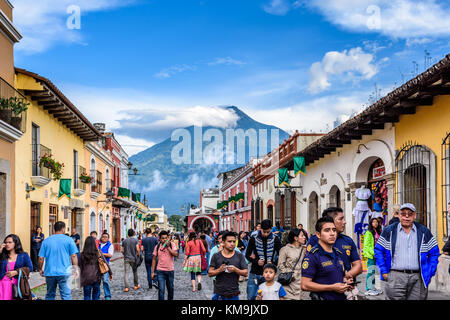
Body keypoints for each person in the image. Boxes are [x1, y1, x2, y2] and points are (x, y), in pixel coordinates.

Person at [375, 203, 440, 300]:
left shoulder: (424, 231)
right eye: (403, 213)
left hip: (418, 278)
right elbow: (379, 250)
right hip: (395, 277)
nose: (406, 216)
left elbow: (434, 253)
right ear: (399, 215)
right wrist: (384, 271)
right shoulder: (389, 231)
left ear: (414, 216)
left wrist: (430, 272)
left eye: (410, 214)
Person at [306, 207, 362, 284]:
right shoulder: (315, 240)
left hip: (347, 288)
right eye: (341, 219)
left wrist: (346, 276)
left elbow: (358, 266)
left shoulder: (348, 240)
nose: (344, 222)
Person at [301, 216, 351, 300]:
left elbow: (336, 277)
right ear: (318, 234)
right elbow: (304, 285)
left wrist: (346, 283)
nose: (332, 233)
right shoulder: (312, 256)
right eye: (327, 230)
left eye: (334, 230)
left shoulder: (338, 253)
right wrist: (332, 287)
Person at [38, 221, 78, 300]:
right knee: (66, 295)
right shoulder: (69, 240)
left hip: (50, 272)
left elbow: (40, 258)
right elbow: (73, 256)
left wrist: (40, 269)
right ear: (63, 229)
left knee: (50, 295)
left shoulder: (46, 241)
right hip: (64, 272)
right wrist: (75, 268)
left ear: (54, 229)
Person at [245, 219, 282, 300]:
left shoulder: (275, 239)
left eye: (268, 232)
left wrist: (273, 263)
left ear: (271, 229)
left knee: (268, 297)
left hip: (269, 273)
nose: (266, 234)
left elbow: (281, 255)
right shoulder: (253, 239)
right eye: (264, 231)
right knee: (251, 297)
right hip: (255, 272)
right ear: (260, 229)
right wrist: (256, 261)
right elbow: (247, 255)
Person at [208, 232, 248, 300]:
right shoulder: (216, 256)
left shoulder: (239, 255)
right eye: (229, 241)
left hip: (233, 293)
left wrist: (235, 270)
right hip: (219, 293)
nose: (232, 244)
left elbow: (245, 272)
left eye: (234, 242)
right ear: (223, 242)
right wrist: (219, 270)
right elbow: (210, 273)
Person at [277, 228, 308, 300]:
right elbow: (280, 265)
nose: (304, 237)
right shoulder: (285, 249)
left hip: (301, 283)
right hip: (289, 283)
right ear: (296, 238)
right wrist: (290, 274)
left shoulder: (304, 249)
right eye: (302, 235)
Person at [0, 234, 33, 300]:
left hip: (17, 283)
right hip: (3, 284)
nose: (7, 244)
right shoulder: (2, 255)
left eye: (10, 242)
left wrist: (16, 272)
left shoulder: (23, 255)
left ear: (16, 243)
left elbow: (30, 268)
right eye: (6, 242)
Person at [79, 236, 112, 300]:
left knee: (87, 296)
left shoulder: (82, 254)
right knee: (96, 296)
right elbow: (105, 263)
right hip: (96, 277)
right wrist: (110, 273)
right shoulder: (98, 253)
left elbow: (79, 266)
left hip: (86, 278)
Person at [152, 230, 178, 300]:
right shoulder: (157, 246)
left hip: (170, 271)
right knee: (161, 290)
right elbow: (154, 259)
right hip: (160, 271)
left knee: (170, 290)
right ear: (160, 239)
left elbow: (176, 254)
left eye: (166, 238)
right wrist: (152, 272)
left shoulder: (172, 245)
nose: (165, 240)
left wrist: (168, 247)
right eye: (163, 238)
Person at [363, 218, 382, 296]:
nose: (375, 223)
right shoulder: (368, 233)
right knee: (371, 271)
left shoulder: (378, 232)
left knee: (376, 271)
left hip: (377, 254)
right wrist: (374, 253)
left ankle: (375, 287)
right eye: (373, 222)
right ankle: (369, 289)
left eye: (376, 222)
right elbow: (367, 246)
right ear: (371, 223)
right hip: (371, 255)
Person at [98, 232, 114, 299]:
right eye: (103, 236)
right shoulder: (98, 244)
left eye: (106, 237)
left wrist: (101, 253)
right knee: (97, 282)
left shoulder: (110, 245)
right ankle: (97, 296)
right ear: (101, 237)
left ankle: (107, 296)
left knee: (105, 280)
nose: (104, 238)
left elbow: (110, 255)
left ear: (108, 238)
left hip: (105, 266)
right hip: (97, 266)